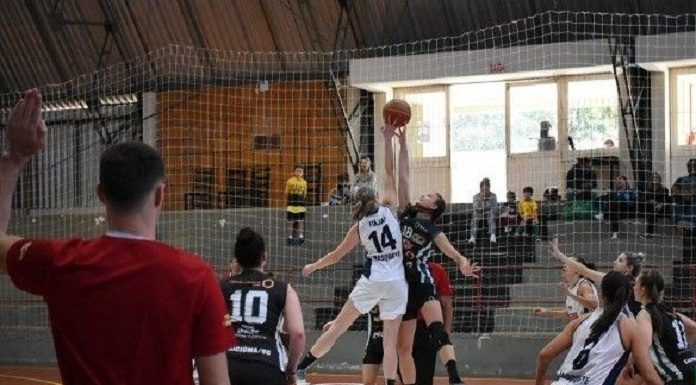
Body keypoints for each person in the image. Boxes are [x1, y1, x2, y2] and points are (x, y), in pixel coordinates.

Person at [0, 90, 234, 385]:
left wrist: (15, 156)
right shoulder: (196, 276)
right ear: (161, 194)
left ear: (101, 194)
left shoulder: (59, 262)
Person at [295, 121, 409, 385]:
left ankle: (301, 369)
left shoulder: (359, 226)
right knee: (390, 344)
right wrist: (391, 139)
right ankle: (391, 383)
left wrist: (313, 266)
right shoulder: (390, 209)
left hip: (373, 280)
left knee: (337, 327)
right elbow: (391, 173)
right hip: (397, 283)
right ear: (377, 197)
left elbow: (335, 256)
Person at [395, 125, 480, 385]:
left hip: (420, 280)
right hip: (398, 283)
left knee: (436, 327)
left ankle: (454, 377)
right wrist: (403, 145)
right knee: (402, 349)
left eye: (429, 195)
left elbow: (450, 250)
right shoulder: (405, 213)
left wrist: (463, 263)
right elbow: (404, 178)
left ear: (434, 207)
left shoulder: (432, 229)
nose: (424, 194)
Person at [328, 262, 453, 385]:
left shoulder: (430, 272)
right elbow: (359, 304)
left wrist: (445, 333)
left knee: (417, 374)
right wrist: (337, 322)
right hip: (388, 330)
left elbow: (446, 303)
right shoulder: (384, 275)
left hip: (417, 328)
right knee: (380, 377)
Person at [534, 272, 664, 385]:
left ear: (602, 294)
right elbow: (649, 376)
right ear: (627, 295)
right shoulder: (630, 328)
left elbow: (544, 355)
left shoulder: (580, 321)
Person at [221, 227, 305, 385]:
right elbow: (298, 334)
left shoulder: (222, 286)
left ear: (237, 259)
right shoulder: (284, 288)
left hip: (228, 365)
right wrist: (292, 370)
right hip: (267, 365)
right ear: (264, 256)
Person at [628, 270, 696, 385]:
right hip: (692, 366)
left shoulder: (645, 314)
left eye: (635, 284)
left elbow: (642, 350)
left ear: (643, 289)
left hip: (677, 375)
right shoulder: (670, 310)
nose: (633, 287)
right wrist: (681, 350)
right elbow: (693, 327)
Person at [549, 237, 644, 317]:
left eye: (620, 260)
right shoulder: (634, 283)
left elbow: (584, 270)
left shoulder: (617, 280)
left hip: (628, 325)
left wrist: (560, 256)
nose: (614, 262)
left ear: (629, 268)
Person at [533, 256, 598, 321]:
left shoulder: (584, 285)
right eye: (565, 262)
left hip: (589, 327)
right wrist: (546, 311)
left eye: (569, 263)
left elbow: (594, 304)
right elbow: (569, 314)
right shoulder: (571, 288)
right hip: (580, 328)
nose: (564, 265)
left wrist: (571, 295)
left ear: (578, 271)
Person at [640, 172, 671, 238]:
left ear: (659, 179)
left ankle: (649, 232)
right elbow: (643, 199)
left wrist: (657, 203)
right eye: (653, 177)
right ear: (651, 179)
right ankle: (649, 232)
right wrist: (650, 201)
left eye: (656, 177)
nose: (655, 179)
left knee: (657, 207)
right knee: (651, 207)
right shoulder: (647, 190)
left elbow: (666, 200)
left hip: (661, 209)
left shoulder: (664, 190)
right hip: (651, 208)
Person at [468, 178, 498, 244]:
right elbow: (475, 207)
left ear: (489, 188)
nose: (484, 191)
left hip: (490, 212)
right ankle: (473, 237)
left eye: (486, 189)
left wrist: (486, 202)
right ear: (480, 189)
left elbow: (494, 207)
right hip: (479, 213)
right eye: (482, 189)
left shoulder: (493, 196)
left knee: (491, 216)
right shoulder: (476, 196)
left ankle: (493, 235)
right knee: (475, 217)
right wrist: (481, 200)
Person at [285, 165, 308, 245]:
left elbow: (304, 194)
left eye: (301, 171)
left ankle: (301, 237)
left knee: (300, 222)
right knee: (290, 222)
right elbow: (286, 193)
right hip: (291, 204)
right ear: (294, 172)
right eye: (297, 170)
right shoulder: (290, 181)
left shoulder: (304, 183)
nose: (299, 172)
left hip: (301, 205)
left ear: (303, 173)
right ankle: (290, 238)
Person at [671, 159, 696, 230]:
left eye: (694, 166)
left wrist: (691, 193)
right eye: (690, 166)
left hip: (693, 201)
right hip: (682, 201)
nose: (692, 168)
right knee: (675, 204)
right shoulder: (681, 179)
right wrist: (683, 193)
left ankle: (689, 224)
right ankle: (682, 223)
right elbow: (673, 189)